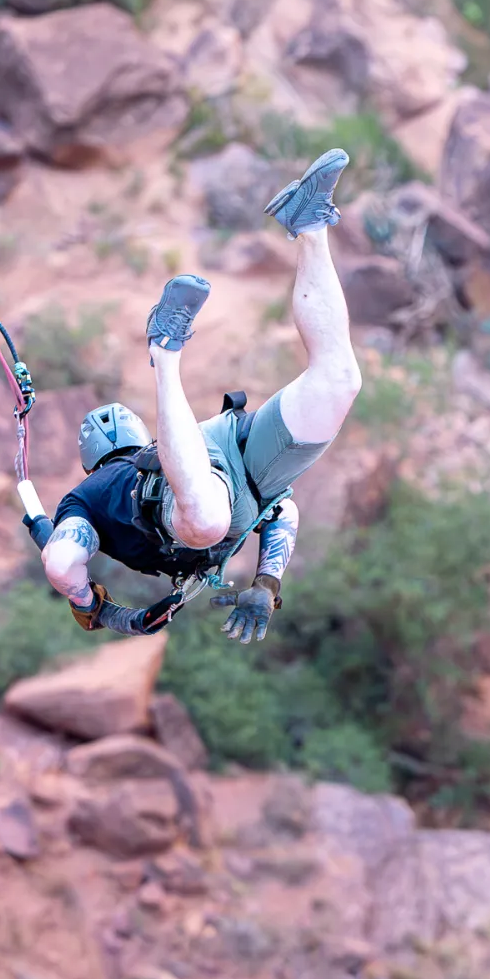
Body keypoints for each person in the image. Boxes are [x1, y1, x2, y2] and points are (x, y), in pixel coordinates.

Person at [36, 148, 361, 644]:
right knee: (339, 381)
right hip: (241, 458)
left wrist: (93, 606)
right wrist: (266, 585)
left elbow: (61, 562)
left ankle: (165, 355)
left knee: (208, 521)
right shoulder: (111, 485)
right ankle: (309, 225)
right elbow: (283, 511)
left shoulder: (92, 496)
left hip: (206, 484)